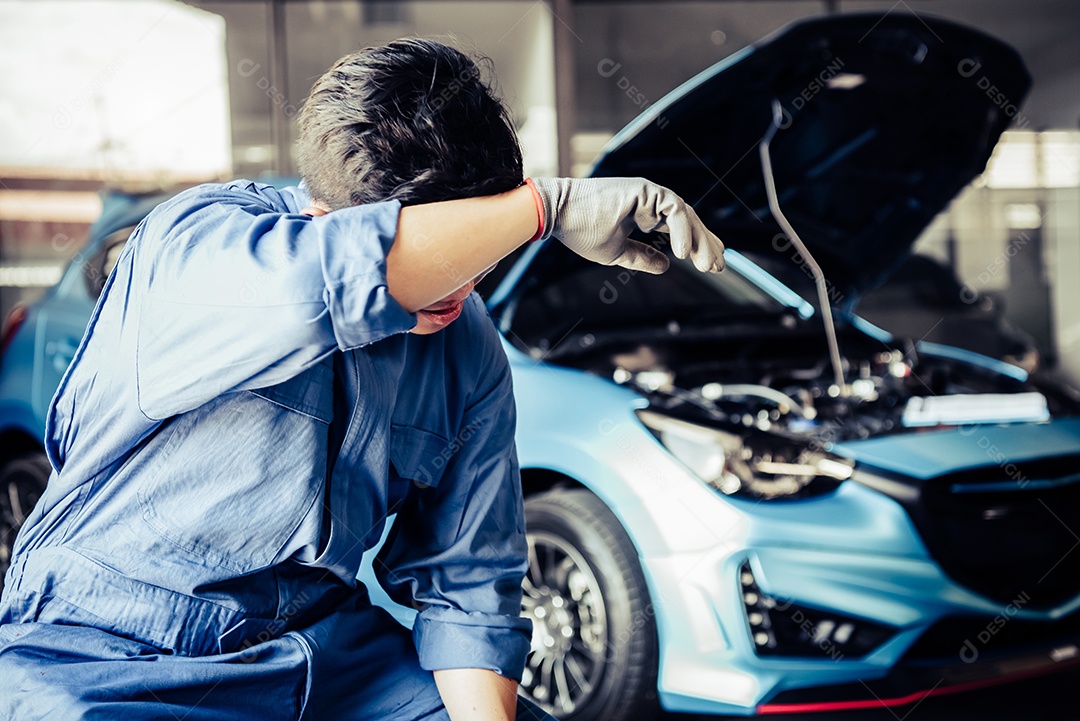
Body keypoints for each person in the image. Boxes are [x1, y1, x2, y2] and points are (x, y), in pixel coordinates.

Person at [0, 39, 723, 721]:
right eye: (445, 257)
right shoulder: (191, 246)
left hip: (322, 656)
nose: (458, 288)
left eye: (479, 255)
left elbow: (467, 586)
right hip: (101, 641)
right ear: (322, 217)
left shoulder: (469, 348)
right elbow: (327, 280)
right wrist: (546, 208)